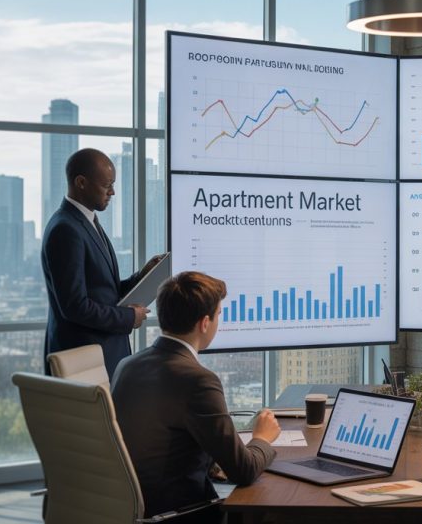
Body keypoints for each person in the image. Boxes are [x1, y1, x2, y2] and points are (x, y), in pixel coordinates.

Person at [112, 271, 281, 524]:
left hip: (129, 507)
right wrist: (262, 439)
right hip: (181, 513)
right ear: (204, 323)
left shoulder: (127, 364)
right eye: (218, 316)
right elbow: (244, 471)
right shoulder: (198, 380)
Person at [41, 148, 164, 378]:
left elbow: (102, 291)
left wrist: (143, 276)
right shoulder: (65, 229)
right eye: (107, 185)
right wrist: (128, 318)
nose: (113, 192)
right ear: (81, 183)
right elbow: (75, 307)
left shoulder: (86, 221)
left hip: (100, 357)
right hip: (82, 361)